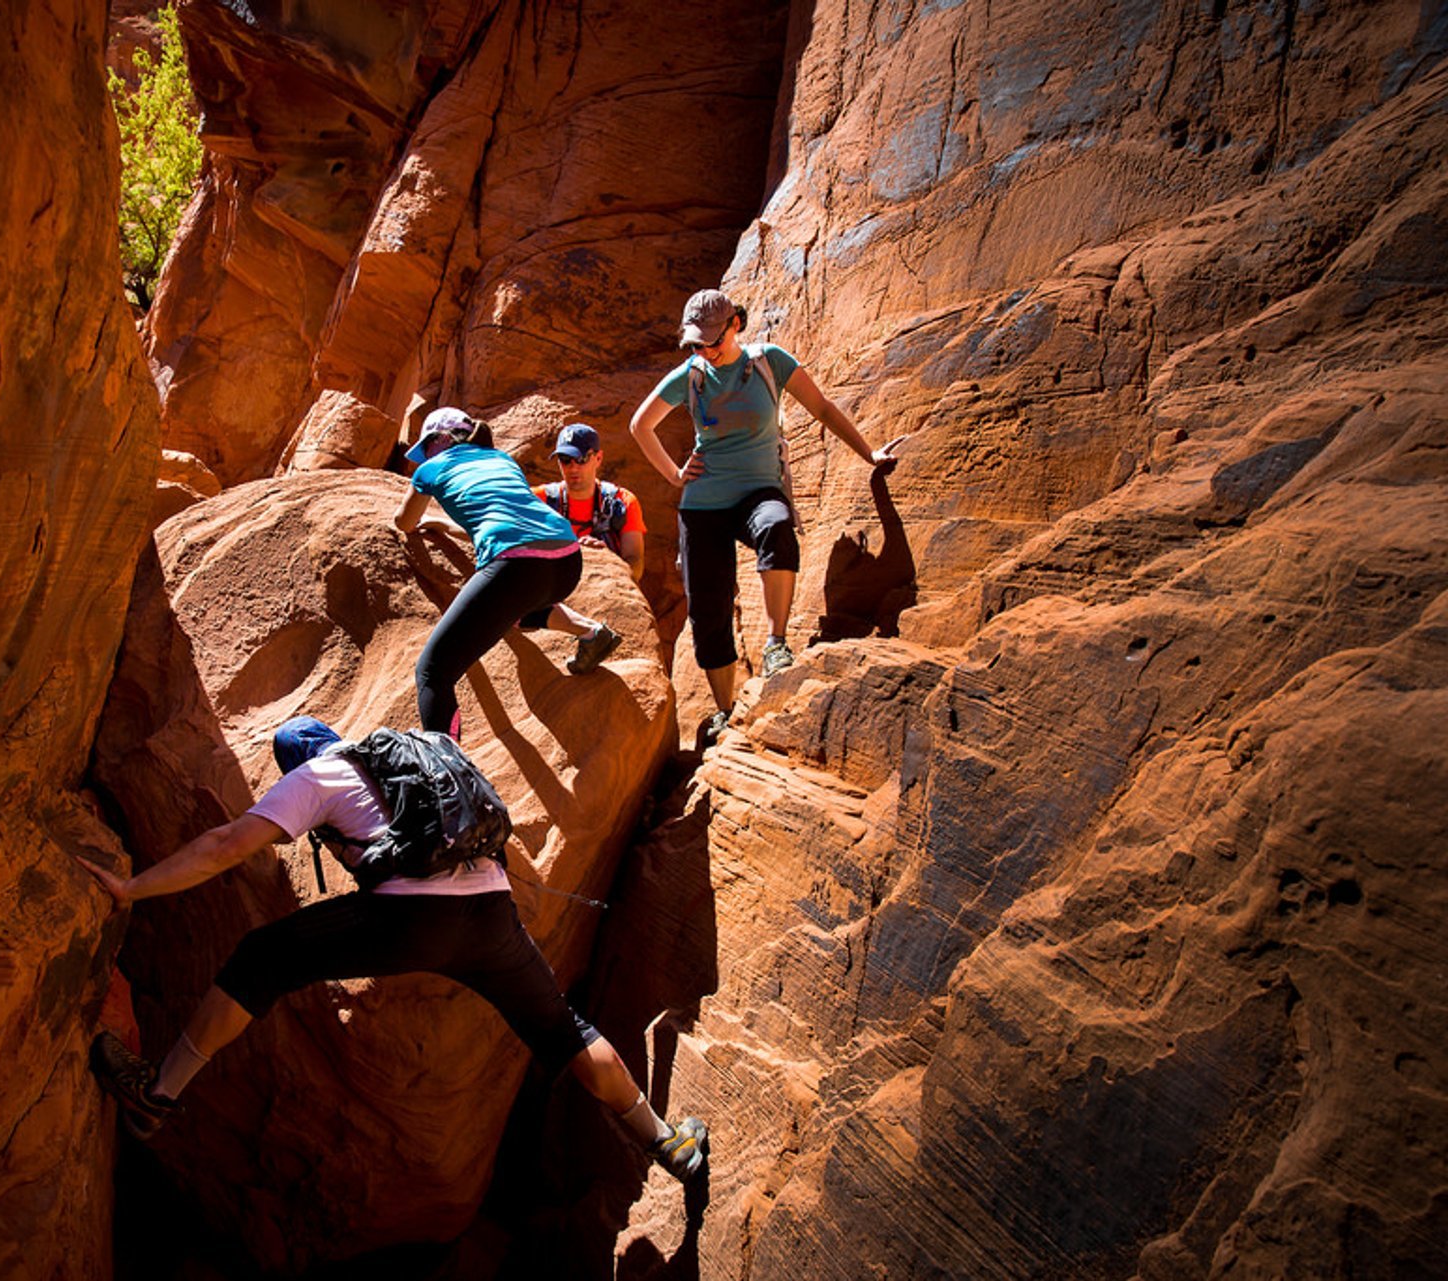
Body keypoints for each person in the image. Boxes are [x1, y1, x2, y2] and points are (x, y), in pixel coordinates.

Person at [74, 716, 709, 1183]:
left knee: (261, 959)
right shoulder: (412, 753)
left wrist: (134, 888)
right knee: (561, 1030)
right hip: (491, 911)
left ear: (295, 762)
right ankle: (662, 1141)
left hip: (407, 916)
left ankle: (155, 1097)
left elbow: (226, 846)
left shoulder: (316, 778)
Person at [628, 289, 899, 741]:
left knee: (776, 527)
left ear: (735, 323)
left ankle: (776, 644)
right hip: (704, 503)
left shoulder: (768, 362)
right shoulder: (691, 377)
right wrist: (676, 476)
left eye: (711, 341)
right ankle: (725, 710)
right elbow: (640, 424)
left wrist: (868, 452)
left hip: (758, 489)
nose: (704, 352)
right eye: (695, 344)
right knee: (707, 610)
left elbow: (823, 408)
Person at [394, 407, 621, 738]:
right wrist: (446, 524)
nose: (423, 455)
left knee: (432, 672)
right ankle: (591, 632)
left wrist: (426, 513)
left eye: (426, 446)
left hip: (516, 567)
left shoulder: (430, 469)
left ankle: (444, 770)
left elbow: (404, 523)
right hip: (567, 560)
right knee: (507, 612)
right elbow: (512, 518)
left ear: (442, 439)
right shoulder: (501, 460)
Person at [533, 423, 647, 582]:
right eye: (565, 460)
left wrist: (606, 560)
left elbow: (635, 564)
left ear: (598, 458)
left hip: (607, 588)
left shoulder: (622, 503)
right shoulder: (538, 501)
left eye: (581, 459)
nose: (573, 468)